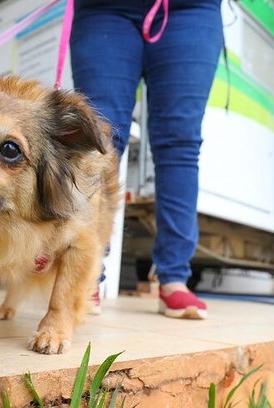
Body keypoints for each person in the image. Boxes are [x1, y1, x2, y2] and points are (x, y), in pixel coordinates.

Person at [71, 0, 224, 319]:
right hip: (104, 10)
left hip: (191, 9)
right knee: (99, 138)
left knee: (180, 142)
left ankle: (174, 279)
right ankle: (84, 272)